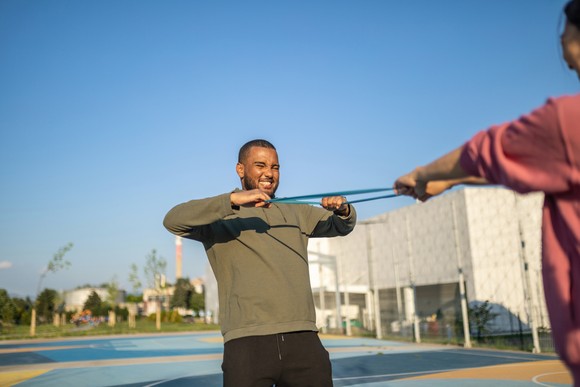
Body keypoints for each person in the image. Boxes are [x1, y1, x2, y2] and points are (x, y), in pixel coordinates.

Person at [394, 1, 580, 384]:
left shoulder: (567, 122)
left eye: (565, 26)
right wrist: (454, 180)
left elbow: (486, 151)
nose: (559, 35)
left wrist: (423, 173)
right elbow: (523, 166)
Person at [163, 139, 356, 387]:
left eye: (275, 167)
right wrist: (233, 200)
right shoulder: (219, 217)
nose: (269, 173)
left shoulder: (298, 212)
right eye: (260, 165)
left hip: (303, 340)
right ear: (241, 170)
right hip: (246, 343)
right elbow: (172, 220)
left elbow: (341, 225)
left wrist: (343, 209)